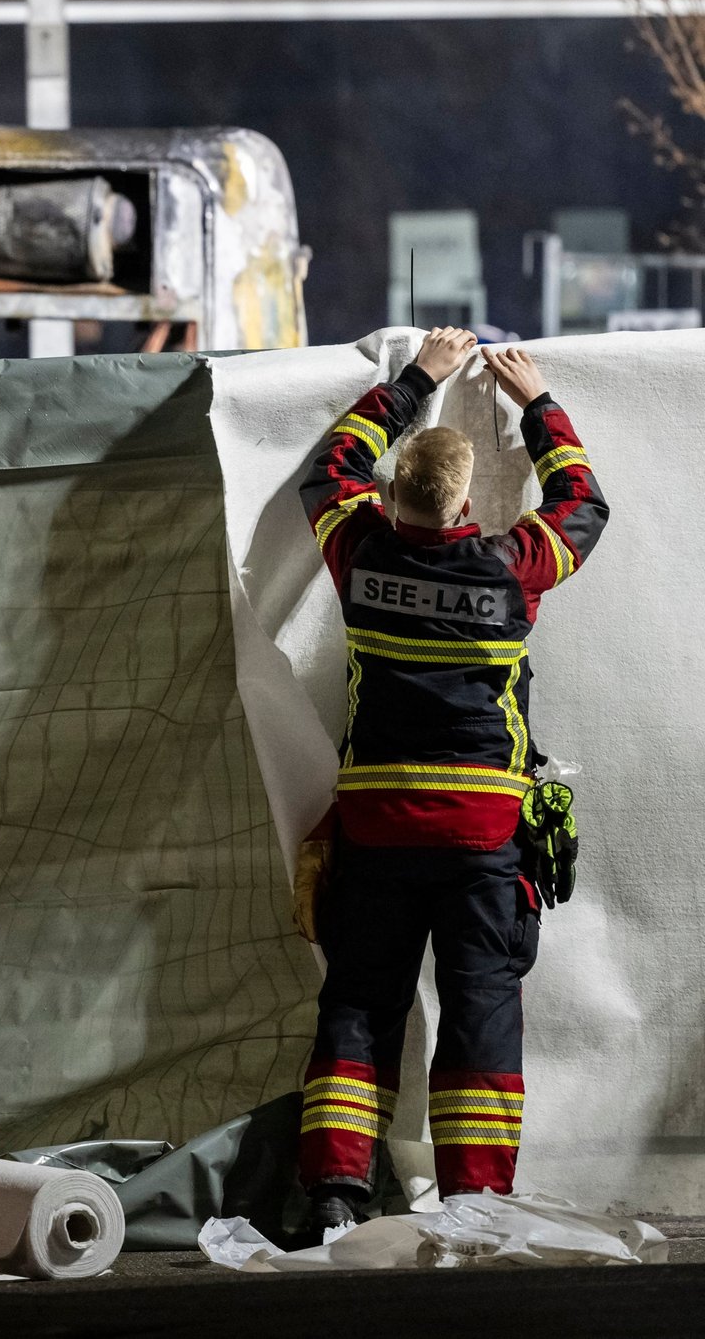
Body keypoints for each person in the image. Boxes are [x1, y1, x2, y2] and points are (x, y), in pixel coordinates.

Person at [294, 328, 609, 1234]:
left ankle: (334, 1194)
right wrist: (537, 402)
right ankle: (474, 1204)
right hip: (482, 838)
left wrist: (418, 379)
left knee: (358, 1005)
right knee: (479, 1013)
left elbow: (330, 468)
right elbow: (584, 503)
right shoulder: (511, 571)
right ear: (471, 498)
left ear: (392, 494)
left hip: (377, 832)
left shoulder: (360, 556)